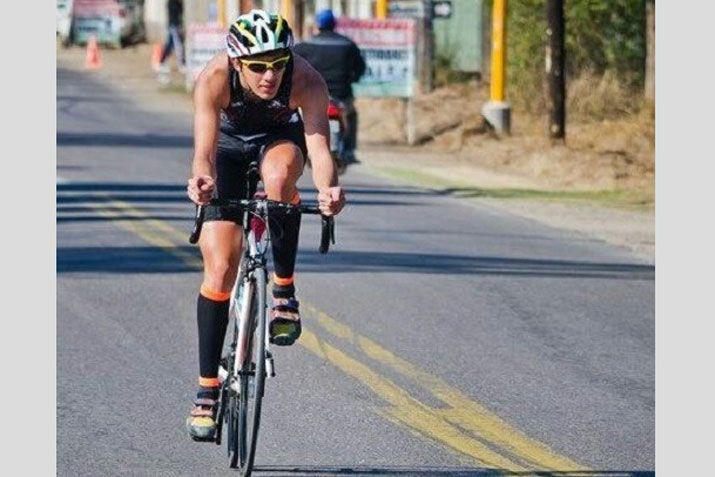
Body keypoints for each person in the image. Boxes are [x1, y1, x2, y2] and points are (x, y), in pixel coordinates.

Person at [185, 10, 345, 440]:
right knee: (220, 270)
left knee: (279, 179)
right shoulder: (215, 78)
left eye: (277, 62)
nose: (269, 75)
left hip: (278, 144)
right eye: (258, 66)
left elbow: (319, 147)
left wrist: (329, 190)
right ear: (237, 63)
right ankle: (207, 390)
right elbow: (203, 149)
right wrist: (201, 182)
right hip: (228, 150)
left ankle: (284, 291)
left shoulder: (306, 80)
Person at [293, 9, 365, 163]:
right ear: (334, 24)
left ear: (318, 25)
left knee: (297, 117)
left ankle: (298, 147)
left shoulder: (307, 45)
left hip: (312, 95)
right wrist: (354, 78)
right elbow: (360, 67)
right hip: (342, 95)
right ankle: (350, 150)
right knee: (351, 115)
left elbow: (291, 62)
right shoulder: (347, 44)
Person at [157, 0, 185, 72]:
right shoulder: (172, 3)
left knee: (170, 45)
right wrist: (178, 26)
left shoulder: (176, 3)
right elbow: (175, 15)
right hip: (174, 26)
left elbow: (181, 11)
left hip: (175, 26)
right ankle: (181, 64)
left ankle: (161, 62)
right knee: (178, 45)